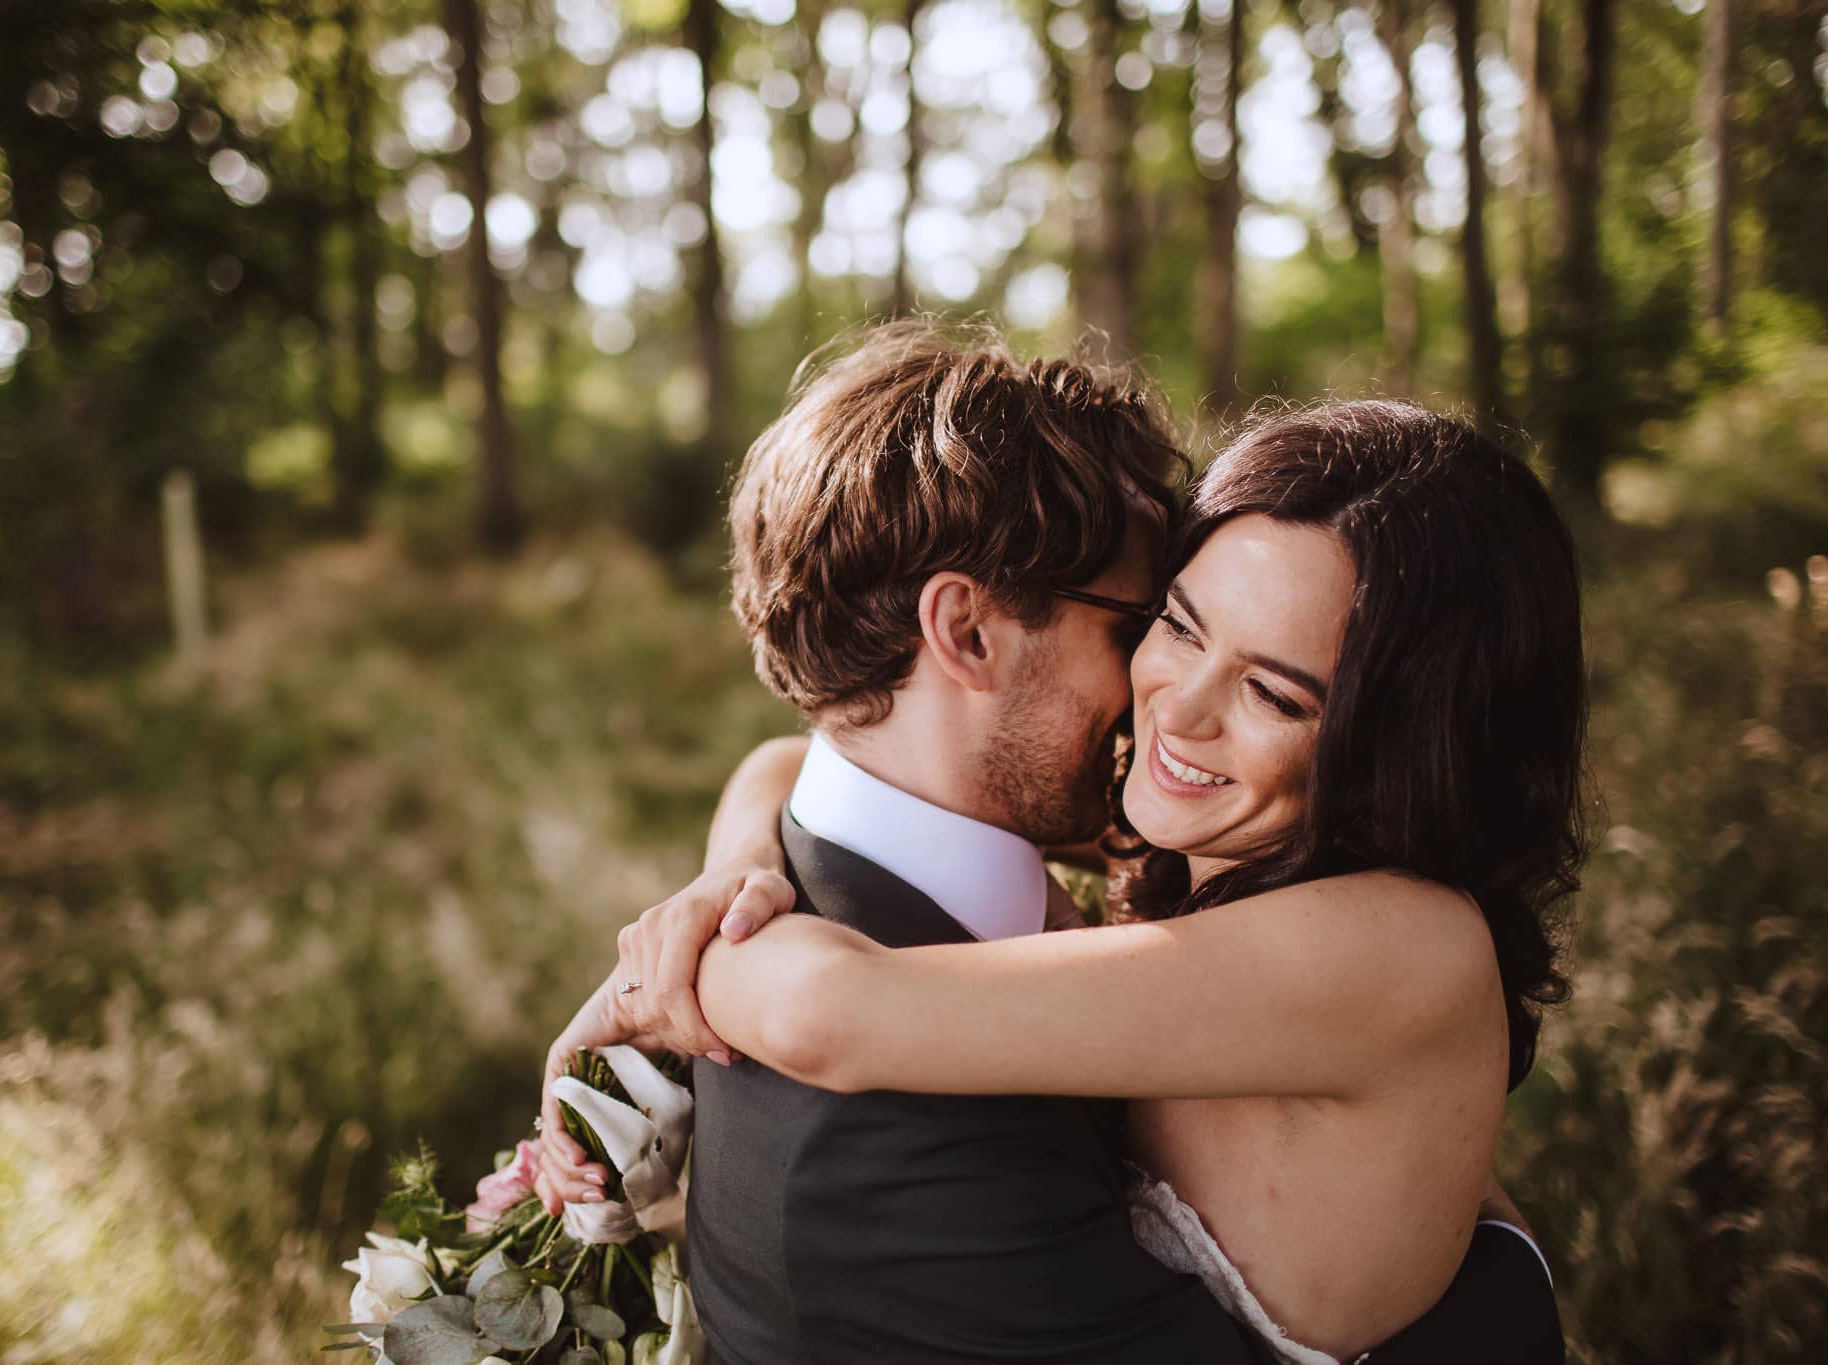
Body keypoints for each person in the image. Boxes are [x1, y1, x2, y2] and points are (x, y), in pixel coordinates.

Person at [543, 334, 1573, 1360]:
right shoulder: (1191, 848)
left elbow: (832, 1010)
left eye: (1271, 691)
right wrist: (736, 870)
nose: (1173, 705)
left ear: (1390, 739)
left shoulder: (1382, 944)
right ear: (966, 632)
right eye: (1165, 623)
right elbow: (780, 760)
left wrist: (669, 980)